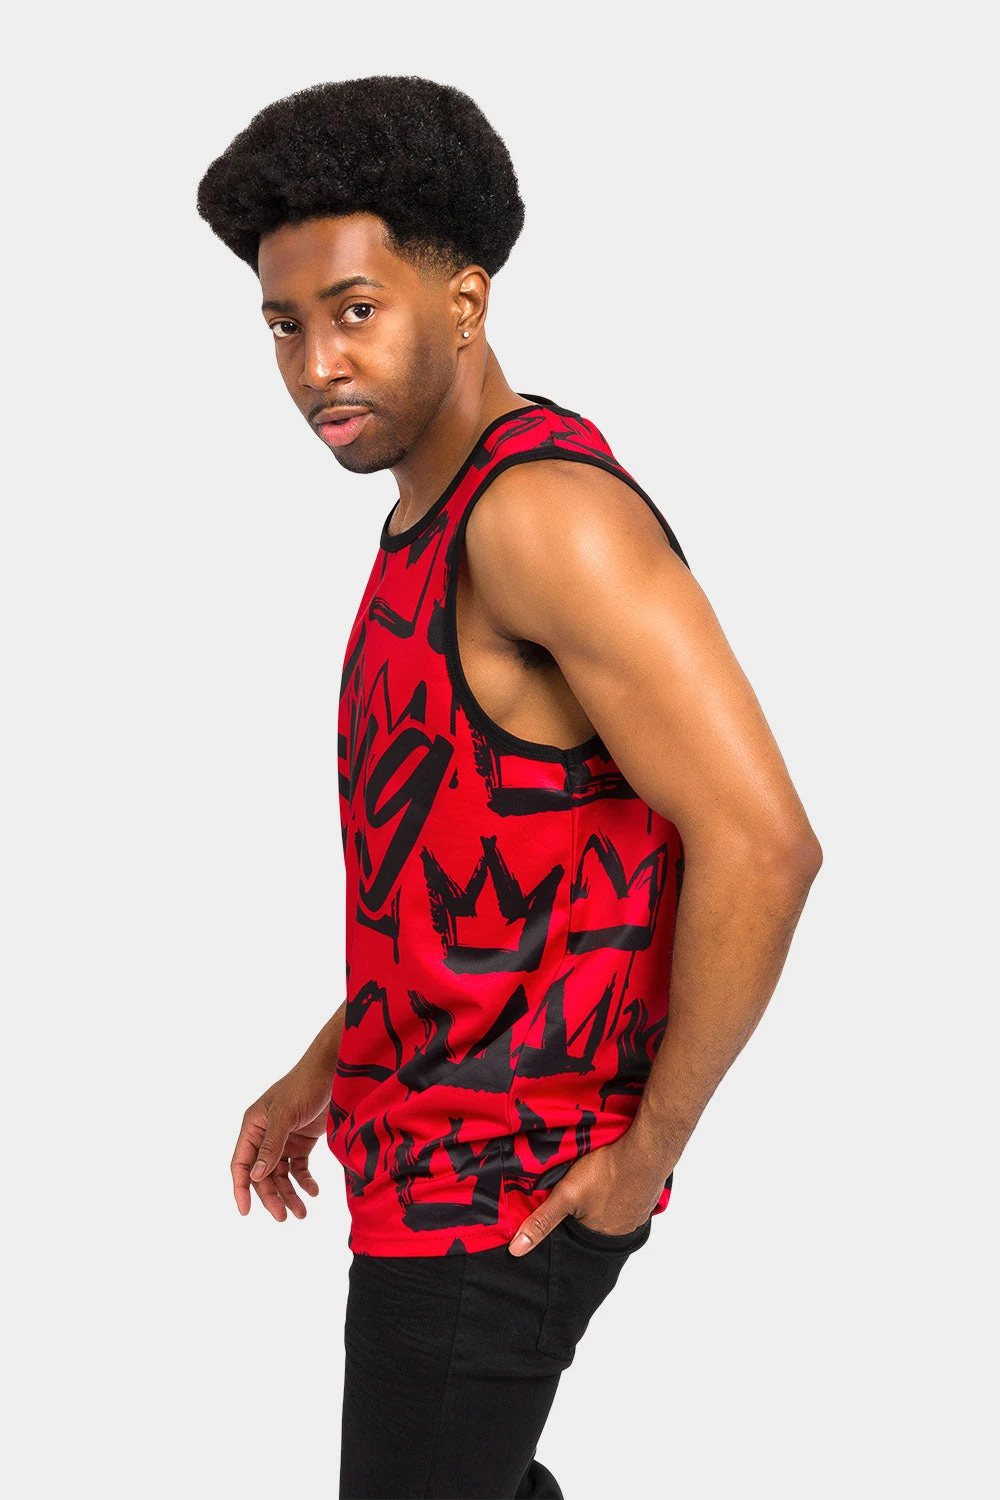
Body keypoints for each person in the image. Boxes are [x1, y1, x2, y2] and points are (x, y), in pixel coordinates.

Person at [197, 75, 823, 1500]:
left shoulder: (539, 518)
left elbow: (764, 843)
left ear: (466, 300)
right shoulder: (431, 510)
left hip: (506, 1197)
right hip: (424, 1159)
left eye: (356, 310)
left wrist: (650, 1148)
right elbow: (480, 866)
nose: (316, 365)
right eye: (284, 326)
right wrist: (333, 1058)